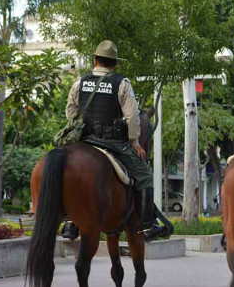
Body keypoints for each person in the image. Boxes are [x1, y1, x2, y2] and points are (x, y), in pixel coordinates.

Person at [60, 40, 166, 243]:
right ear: (114, 63)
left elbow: (71, 111)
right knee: (144, 175)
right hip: (113, 143)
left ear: (95, 60)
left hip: (84, 140)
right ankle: (146, 226)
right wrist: (134, 141)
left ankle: (69, 222)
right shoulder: (122, 83)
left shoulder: (79, 82)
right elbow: (132, 116)